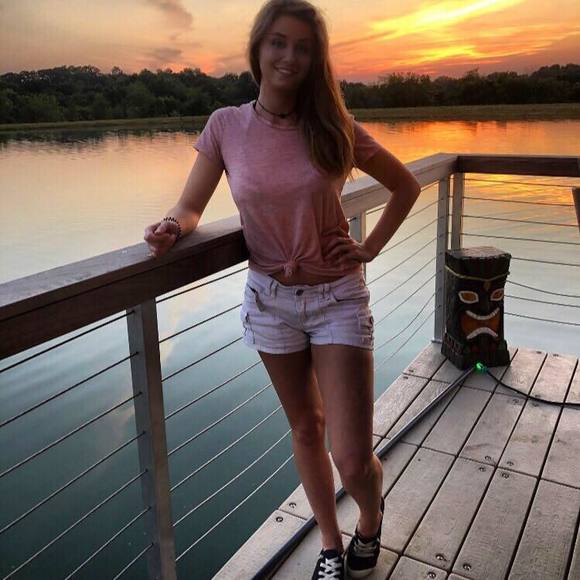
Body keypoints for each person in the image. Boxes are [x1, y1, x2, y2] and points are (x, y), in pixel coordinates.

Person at [144, 1, 421, 577]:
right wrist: (171, 226)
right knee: (305, 429)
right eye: (278, 42)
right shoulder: (226, 126)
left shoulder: (333, 126)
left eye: (302, 46)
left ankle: (370, 519)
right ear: (258, 48)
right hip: (270, 302)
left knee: (351, 456)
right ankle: (330, 546)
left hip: (336, 298)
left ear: (316, 58)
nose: (289, 56)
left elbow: (405, 186)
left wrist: (369, 247)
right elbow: (191, 205)